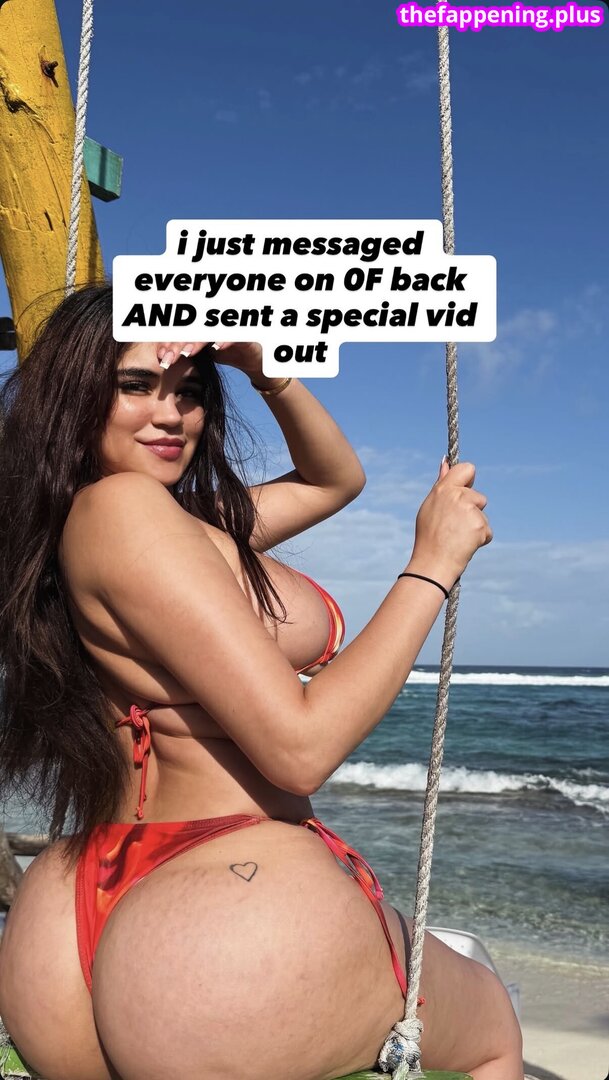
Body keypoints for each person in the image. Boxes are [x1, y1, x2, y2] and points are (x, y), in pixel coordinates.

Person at [0, 284, 523, 1080]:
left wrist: (264, 369)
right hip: (225, 907)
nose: (170, 416)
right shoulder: (128, 511)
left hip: (78, 904)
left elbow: (331, 481)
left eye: (189, 392)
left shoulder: (144, 525)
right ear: (76, 395)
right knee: (490, 1029)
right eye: (136, 386)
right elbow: (299, 747)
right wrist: (431, 565)